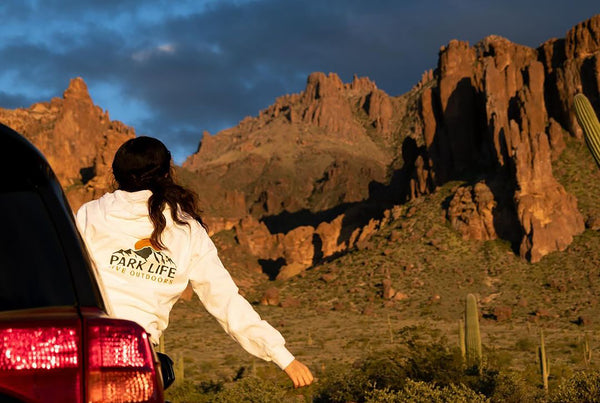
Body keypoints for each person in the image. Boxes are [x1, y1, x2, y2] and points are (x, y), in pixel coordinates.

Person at [76, 136, 313, 388]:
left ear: (116, 173)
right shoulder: (187, 229)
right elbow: (225, 301)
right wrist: (283, 357)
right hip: (137, 358)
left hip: (82, 346)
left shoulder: (89, 213)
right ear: (167, 173)